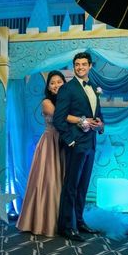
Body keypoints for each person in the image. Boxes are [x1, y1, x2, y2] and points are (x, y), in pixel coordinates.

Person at [16, 70, 78, 237]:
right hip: (50, 143)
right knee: (48, 181)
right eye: (52, 83)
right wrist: (82, 119)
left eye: (59, 82)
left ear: (64, 84)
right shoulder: (46, 102)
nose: (56, 85)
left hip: (65, 143)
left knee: (62, 181)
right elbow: (61, 116)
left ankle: (62, 221)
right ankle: (42, 222)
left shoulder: (68, 100)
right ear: (48, 87)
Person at [53, 52, 104, 242]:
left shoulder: (93, 88)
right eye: (77, 64)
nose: (80, 67)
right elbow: (59, 118)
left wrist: (101, 126)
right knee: (71, 186)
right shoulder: (67, 88)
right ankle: (66, 226)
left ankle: (80, 222)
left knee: (83, 186)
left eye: (84, 64)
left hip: (90, 143)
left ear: (90, 66)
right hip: (76, 144)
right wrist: (70, 140)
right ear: (74, 66)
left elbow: (98, 114)